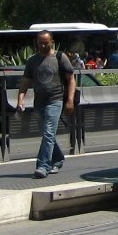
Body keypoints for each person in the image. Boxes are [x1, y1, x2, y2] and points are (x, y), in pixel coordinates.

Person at [17, 30, 75, 178]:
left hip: (55, 100)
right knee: (46, 134)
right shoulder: (32, 61)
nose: (43, 45)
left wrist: (69, 100)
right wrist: (20, 100)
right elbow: (25, 83)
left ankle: (43, 166)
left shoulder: (60, 58)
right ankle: (58, 158)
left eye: (46, 42)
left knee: (49, 132)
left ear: (51, 42)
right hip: (39, 103)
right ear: (36, 42)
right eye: (40, 42)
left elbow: (71, 79)